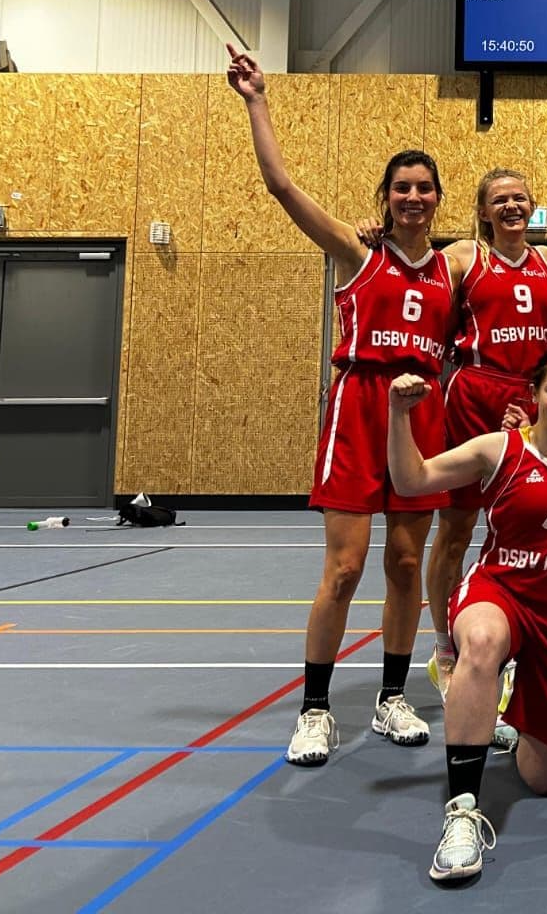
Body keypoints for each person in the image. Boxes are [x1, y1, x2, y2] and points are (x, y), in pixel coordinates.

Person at [225, 44, 443, 767]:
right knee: (345, 568)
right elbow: (282, 187)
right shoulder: (358, 251)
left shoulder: (455, 264)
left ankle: (391, 697)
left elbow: (526, 264)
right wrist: (258, 100)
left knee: (406, 565)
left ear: (438, 200)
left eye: (424, 188)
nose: (413, 197)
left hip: (421, 414)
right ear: (386, 197)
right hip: (360, 407)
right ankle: (315, 708)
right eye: (402, 187)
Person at [385, 347, 547, 882]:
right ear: (534, 394)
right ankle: (462, 810)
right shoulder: (500, 447)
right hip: (500, 592)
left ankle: (504, 718)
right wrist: (399, 414)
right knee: (482, 642)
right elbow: (412, 479)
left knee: (543, 778)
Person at [421, 170, 547, 706]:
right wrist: (376, 231)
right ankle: (444, 648)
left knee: (528, 527)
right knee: (456, 527)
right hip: (474, 392)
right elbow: (408, 263)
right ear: (483, 211)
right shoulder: (464, 257)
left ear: (533, 205)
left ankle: (519, 642)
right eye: (499, 200)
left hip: (532, 398)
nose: (511, 206)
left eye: (519, 198)